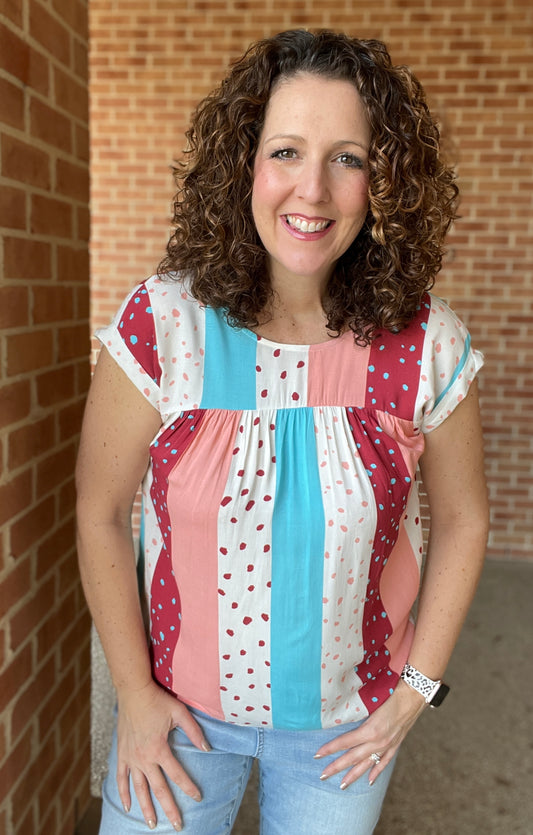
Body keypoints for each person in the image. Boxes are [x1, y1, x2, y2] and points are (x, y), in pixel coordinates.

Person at [76, 29, 490, 835]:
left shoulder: (424, 343)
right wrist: (131, 692)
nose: (312, 190)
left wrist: (417, 688)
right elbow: (99, 510)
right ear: (244, 167)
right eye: (286, 151)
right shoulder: (165, 323)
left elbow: (466, 517)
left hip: (346, 728)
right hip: (175, 717)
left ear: (382, 182)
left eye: (348, 158)